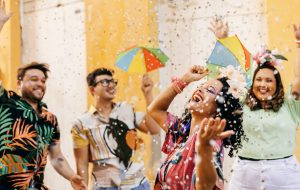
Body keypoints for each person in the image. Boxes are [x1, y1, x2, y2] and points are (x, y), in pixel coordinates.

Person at [213, 20, 300, 190]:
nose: (263, 84)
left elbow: (298, 79)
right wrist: (223, 41)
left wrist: (299, 44)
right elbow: (227, 75)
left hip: (286, 178)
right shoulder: (242, 101)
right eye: (258, 79)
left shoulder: (290, 105)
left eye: (269, 80)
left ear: (277, 85)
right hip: (244, 177)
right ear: (252, 83)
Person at [148, 65, 246, 190]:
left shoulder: (210, 141)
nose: (199, 90)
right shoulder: (183, 132)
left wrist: (204, 149)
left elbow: (206, 186)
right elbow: (154, 110)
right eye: (200, 86)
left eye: (209, 90)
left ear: (219, 109)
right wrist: (184, 80)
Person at [0, 62, 86, 190]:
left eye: (43, 81)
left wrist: (72, 177)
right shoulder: (5, 102)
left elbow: (56, 157)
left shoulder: (50, 119)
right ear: (19, 83)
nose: (40, 84)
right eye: (33, 79)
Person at [71, 68, 160, 190]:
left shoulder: (126, 109)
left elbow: (154, 129)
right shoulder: (82, 123)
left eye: (113, 81)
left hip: (137, 185)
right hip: (105, 186)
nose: (111, 85)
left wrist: (148, 94)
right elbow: (82, 163)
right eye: (105, 82)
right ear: (92, 90)